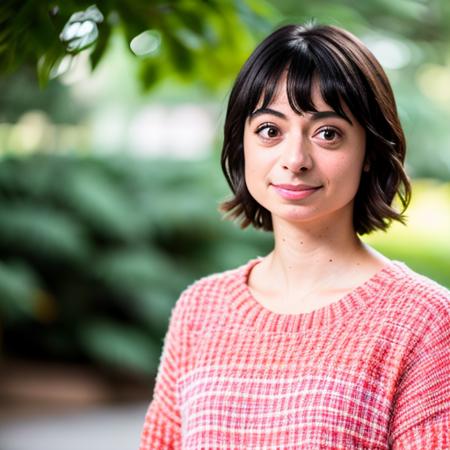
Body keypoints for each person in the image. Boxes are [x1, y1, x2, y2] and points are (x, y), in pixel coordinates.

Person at [140, 23, 450, 449]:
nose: (295, 159)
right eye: (270, 130)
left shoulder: (422, 320)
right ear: (242, 143)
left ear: (369, 152)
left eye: (328, 133)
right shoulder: (200, 309)